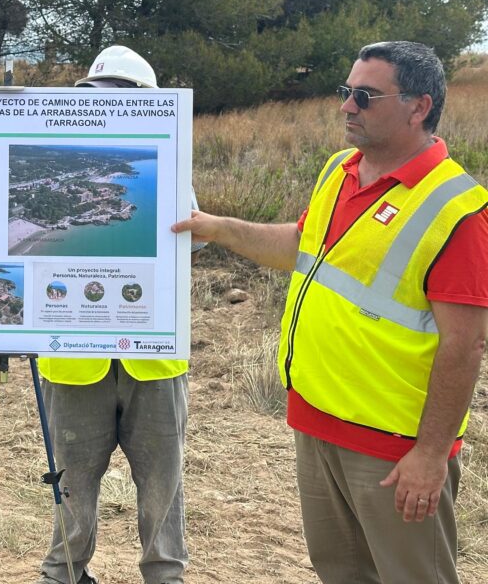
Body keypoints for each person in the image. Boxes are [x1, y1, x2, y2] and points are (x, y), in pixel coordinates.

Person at [173, 41, 488, 583]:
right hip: (317, 423)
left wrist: (432, 454)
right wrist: (218, 227)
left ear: (419, 106)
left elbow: (465, 344)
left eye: (365, 96)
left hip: (392, 450)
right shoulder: (340, 169)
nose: (346, 107)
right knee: (340, 573)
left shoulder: (456, 210)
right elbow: (300, 246)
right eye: (346, 92)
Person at [37, 45, 193, 584]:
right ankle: (64, 574)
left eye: (125, 99)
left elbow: (188, 249)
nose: (112, 107)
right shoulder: (69, 157)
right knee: (71, 486)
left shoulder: (174, 162)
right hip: (74, 362)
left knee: (162, 490)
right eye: (103, 99)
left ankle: (164, 577)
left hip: (154, 362)